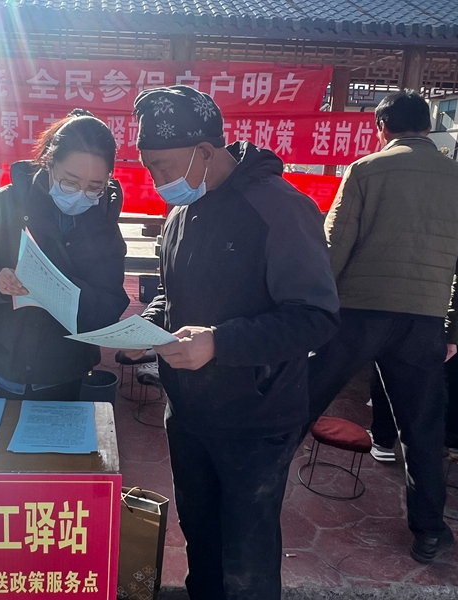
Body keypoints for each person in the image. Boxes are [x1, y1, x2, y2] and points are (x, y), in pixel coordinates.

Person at [124, 86, 339, 600]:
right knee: (201, 539)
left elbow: (316, 317)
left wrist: (220, 343)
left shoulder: (280, 209)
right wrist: (144, 330)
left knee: (246, 558)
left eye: (162, 166)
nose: (156, 179)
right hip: (188, 411)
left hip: (255, 420)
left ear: (204, 150)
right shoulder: (182, 212)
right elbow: (171, 296)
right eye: (149, 167)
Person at [307, 90, 458, 564]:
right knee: (422, 429)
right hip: (422, 323)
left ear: (381, 127)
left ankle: (249, 493)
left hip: (355, 314)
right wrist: (455, 331)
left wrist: (315, 311)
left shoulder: (365, 170)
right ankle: (429, 533)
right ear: (428, 127)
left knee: (300, 404)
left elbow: (333, 247)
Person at [0, 111, 129, 399]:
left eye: (95, 187)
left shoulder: (105, 227)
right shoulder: (4, 204)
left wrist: (63, 291)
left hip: (62, 374)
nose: (80, 194)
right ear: (49, 162)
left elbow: (110, 304)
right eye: (70, 182)